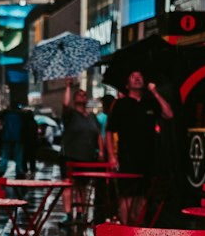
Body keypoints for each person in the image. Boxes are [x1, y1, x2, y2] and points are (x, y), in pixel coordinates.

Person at [106, 70, 174, 223]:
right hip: (127, 158)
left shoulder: (149, 102)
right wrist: (111, 155)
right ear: (127, 84)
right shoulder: (120, 104)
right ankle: (125, 233)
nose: (137, 78)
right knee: (127, 197)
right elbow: (109, 131)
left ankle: (137, 233)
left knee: (142, 197)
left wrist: (155, 92)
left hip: (148, 159)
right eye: (132, 76)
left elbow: (169, 114)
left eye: (140, 76)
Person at [60, 79, 104, 224]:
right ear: (74, 99)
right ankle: (68, 214)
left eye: (84, 95)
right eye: (79, 94)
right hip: (70, 155)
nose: (82, 96)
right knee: (68, 184)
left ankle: (80, 213)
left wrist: (101, 152)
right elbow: (65, 105)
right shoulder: (71, 114)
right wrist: (67, 86)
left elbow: (98, 135)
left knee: (82, 186)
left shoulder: (92, 117)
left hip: (87, 156)